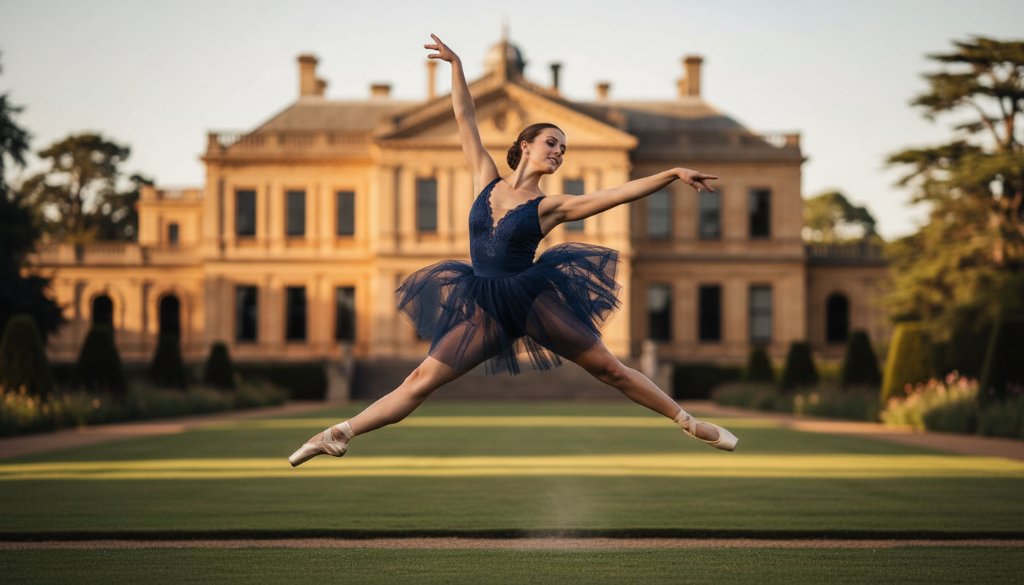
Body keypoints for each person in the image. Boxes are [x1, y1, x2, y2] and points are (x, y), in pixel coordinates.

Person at [289, 34, 737, 467]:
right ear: (525, 145)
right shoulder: (485, 179)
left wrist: (672, 172)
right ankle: (337, 434)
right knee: (419, 380)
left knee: (609, 369)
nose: (559, 152)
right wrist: (458, 66)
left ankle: (688, 421)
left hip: (531, 300)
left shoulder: (550, 206)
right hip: (484, 302)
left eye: (563, 148)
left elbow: (618, 193)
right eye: (551, 143)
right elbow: (465, 118)